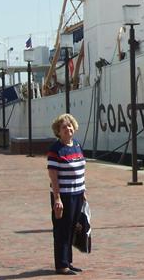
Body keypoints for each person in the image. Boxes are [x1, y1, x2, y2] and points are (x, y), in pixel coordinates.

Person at [47, 113, 87, 275]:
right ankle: (61, 265)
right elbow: (53, 175)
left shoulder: (76, 145)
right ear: (58, 131)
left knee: (72, 229)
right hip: (64, 195)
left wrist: (84, 191)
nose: (68, 129)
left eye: (70, 125)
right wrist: (57, 198)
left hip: (77, 193)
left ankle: (68, 262)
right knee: (62, 229)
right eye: (64, 127)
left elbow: (82, 170)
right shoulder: (56, 150)